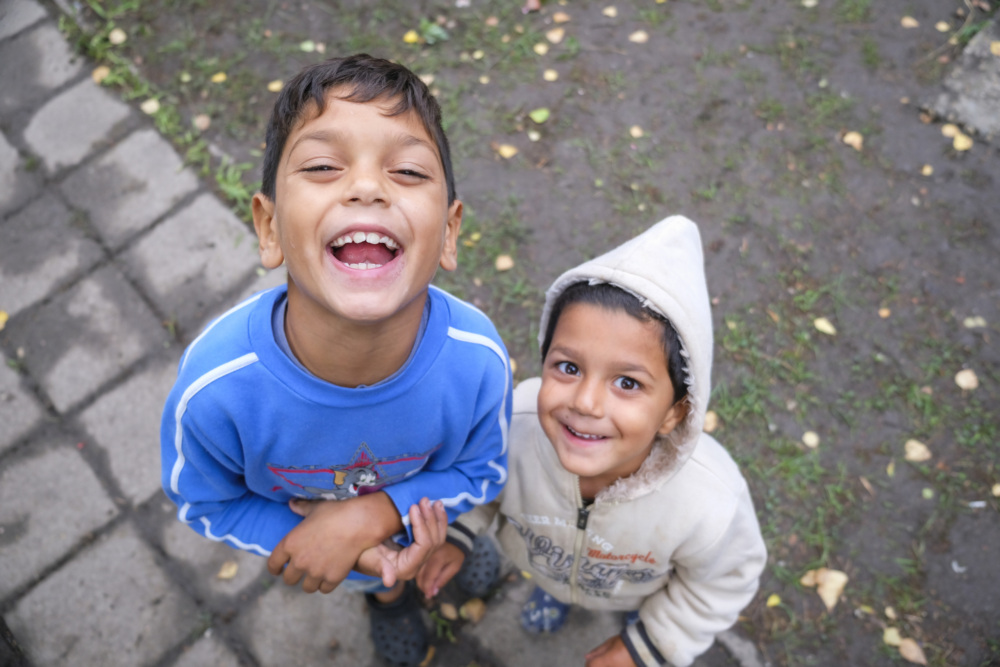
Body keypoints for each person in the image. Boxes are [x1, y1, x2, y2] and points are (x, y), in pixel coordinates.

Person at [160, 54, 512, 667]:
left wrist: (370, 517)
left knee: (449, 544)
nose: (368, 187)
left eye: (406, 170)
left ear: (450, 233)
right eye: (323, 166)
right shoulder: (215, 392)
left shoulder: (478, 361)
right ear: (269, 227)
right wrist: (322, 544)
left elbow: (479, 474)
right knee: (386, 581)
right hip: (341, 563)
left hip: (428, 518)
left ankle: (450, 549)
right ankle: (388, 599)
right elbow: (205, 502)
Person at [419, 215, 767, 667]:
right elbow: (486, 481)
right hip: (546, 565)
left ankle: (636, 626)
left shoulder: (710, 504)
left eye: (626, 382)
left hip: (640, 589)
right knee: (557, 582)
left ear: (674, 412)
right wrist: (460, 534)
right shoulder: (513, 424)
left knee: (642, 617)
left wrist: (654, 643)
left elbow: (722, 582)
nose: (585, 401)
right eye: (568, 367)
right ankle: (557, 598)